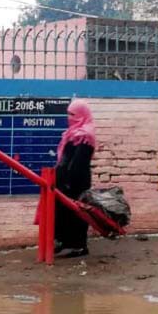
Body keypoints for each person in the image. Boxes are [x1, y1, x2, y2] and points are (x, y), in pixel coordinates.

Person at [52, 99, 97, 257]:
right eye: (68, 114)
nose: (69, 117)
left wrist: (69, 182)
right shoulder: (72, 133)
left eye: (73, 114)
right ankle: (64, 242)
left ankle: (78, 246)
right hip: (64, 181)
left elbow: (79, 164)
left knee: (77, 213)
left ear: (82, 115)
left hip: (76, 182)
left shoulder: (86, 136)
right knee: (62, 211)